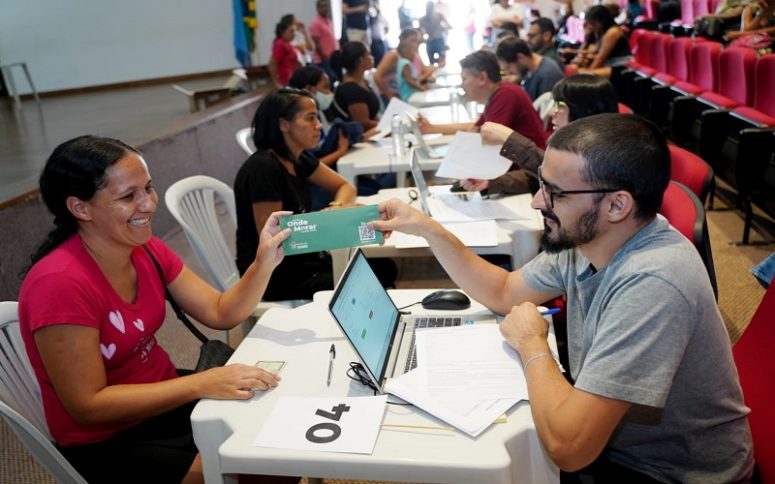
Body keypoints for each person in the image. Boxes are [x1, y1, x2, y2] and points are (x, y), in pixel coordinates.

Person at [370, 114, 754, 483]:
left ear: (617, 206)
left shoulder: (654, 281)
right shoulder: (590, 239)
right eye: (542, 185)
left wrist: (533, 342)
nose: (538, 202)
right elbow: (504, 291)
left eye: (554, 192)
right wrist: (427, 228)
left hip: (667, 472)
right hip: (621, 449)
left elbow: (570, 448)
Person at [18, 136, 295, 484]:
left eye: (148, 188)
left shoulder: (147, 249)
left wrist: (263, 262)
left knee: (280, 439)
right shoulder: (59, 284)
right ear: (80, 208)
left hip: (163, 400)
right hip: (109, 441)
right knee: (265, 467)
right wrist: (201, 384)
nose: (148, 204)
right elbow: (87, 407)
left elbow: (222, 311)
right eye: (128, 196)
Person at [234, 88, 357, 301]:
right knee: (376, 274)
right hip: (273, 276)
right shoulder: (263, 168)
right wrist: (328, 222)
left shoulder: (296, 158)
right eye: (310, 119)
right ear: (284, 125)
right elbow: (274, 240)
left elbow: (345, 187)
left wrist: (336, 208)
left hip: (303, 261)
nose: (318, 125)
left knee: (380, 268)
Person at [463, 74, 618, 196]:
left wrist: (510, 140)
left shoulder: (600, 154)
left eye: (560, 105)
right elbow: (538, 178)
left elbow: (557, 175)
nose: (552, 112)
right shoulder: (569, 142)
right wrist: (492, 182)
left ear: (583, 109)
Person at [418, 50, 547, 150]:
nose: (462, 85)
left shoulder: (506, 94)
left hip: (529, 173)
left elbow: (486, 139)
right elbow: (474, 128)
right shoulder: (498, 92)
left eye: (464, 79)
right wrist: (431, 128)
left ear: (482, 78)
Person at [373, 28, 436, 103]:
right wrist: (391, 97)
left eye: (417, 42)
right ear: (403, 39)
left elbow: (423, 72)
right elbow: (377, 76)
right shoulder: (394, 55)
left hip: (409, 93)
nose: (415, 44)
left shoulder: (414, 55)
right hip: (394, 95)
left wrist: (427, 77)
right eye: (413, 41)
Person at [329, 42, 380, 132]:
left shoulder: (363, 82)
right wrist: (388, 125)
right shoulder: (351, 89)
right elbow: (363, 123)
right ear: (360, 60)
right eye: (368, 54)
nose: (372, 57)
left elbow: (373, 114)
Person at [496, 36, 564, 101]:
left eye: (509, 67)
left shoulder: (546, 76)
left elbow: (543, 110)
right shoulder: (530, 67)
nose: (509, 73)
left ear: (520, 57)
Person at [574, 5, 632, 79]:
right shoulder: (601, 32)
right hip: (610, 64)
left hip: (620, 66)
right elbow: (596, 52)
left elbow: (601, 58)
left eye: (593, 24)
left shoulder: (612, 32)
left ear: (602, 21)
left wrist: (588, 72)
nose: (591, 26)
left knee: (581, 76)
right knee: (578, 70)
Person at [309, 0, 340, 88]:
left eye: (326, 6)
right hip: (323, 60)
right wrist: (325, 58)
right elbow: (316, 44)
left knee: (333, 82)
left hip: (332, 58)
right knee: (326, 85)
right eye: (322, 6)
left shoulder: (328, 21)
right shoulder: (316, 23)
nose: (325, 8)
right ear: (318, 8)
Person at [269, 15, 303, 88]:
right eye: (291, 31)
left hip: (294, 78)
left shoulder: (288, 44)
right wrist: (276, 82)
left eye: (294, 31)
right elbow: (272, 64)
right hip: (286, 81)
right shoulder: (280, 43)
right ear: (283, 32)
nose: (294, 34)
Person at [396, 36, 428, 101]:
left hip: (408, 94)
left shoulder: (401, 62)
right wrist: (422, 88)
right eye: (413, 51)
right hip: (408, 95)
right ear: (406, 52)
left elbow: (414, 79)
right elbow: (410, 81)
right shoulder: (405, 63)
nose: (414, 54)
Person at [420, 0, 451, 65]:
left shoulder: (422, 19)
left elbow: (421, 33)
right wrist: (443, 29)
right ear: (433, 7)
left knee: (432, 63)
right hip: (439, 41)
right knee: (442, 63)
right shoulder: (439, 15)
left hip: (430, 42)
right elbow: (448, 26)